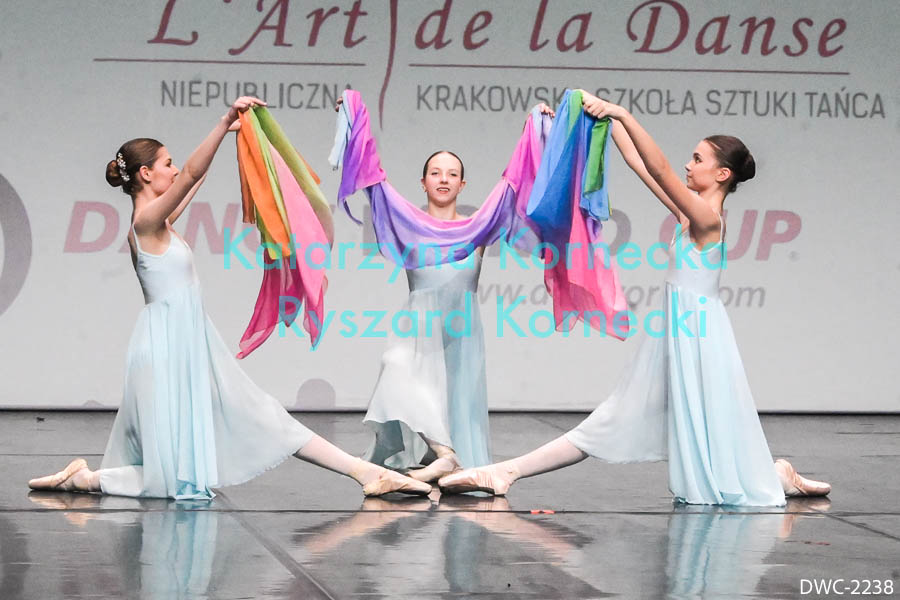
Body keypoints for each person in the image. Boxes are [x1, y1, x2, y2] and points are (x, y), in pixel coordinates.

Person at [28, 96, 431, 499]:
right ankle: (87, 478)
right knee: (177, 475)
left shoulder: (160, 221)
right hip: (166, 349)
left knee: (253, 419)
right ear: (146, 173)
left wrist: (246, 136)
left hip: (187, 342)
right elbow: (190, 173)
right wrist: (222, 123)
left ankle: (364, 473)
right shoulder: (146, 222)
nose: (174, 168)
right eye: (166, 163)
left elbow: (195, 178)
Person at [439, 92, 830, 505]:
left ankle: (507, 471)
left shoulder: (707, 220)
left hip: (699, 335)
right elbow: (639, 163)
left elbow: (660, 169)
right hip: (677, 331)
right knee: (621, 415)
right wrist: (597, 122)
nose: (688, 164)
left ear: (722, 174)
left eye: (698, 159)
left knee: (692, 420)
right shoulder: (689, 215)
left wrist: (622, 112)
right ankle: (507, 471)